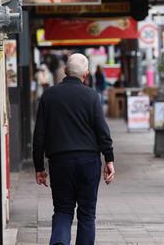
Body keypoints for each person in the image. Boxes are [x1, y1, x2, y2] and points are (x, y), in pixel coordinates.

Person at [32, 53, 115, 245]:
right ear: (85, 75)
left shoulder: (49, 96)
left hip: (60, 162)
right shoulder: (92, 96)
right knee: (87, 214)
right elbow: (103, 132)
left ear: (65, 71)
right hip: (88, 162)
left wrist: (39, 167)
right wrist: (109, 159)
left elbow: (39, 136)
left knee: (62, 210)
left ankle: (59, 242)